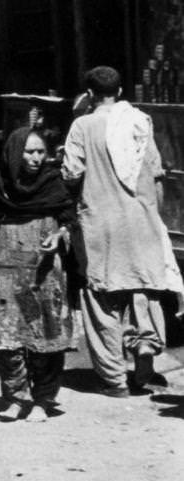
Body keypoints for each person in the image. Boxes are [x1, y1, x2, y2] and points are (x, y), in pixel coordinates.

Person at [61, 66, 182, 397]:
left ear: (89, 93)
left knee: (102, 298)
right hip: (141, 219)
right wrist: (154, 216)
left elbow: (72, 172)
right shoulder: (140, 121)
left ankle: (114, 379)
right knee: (143, 288)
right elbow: (156, 174)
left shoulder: (82, 125)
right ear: (119, 90)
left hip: (100, 223)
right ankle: (145, 347)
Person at [0, 129, 77, 420]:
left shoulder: (53, 185)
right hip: (7, 275)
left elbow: (69, 222)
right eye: (29, 152)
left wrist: (59, 236)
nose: (35, 158)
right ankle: (16, 398)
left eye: (41, 152)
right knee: (8, 340)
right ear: (14, 153)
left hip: (44, 276)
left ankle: (43, 400)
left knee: (45, 340)